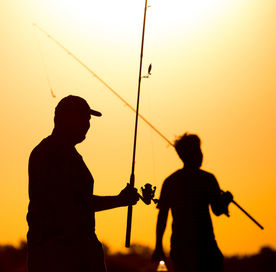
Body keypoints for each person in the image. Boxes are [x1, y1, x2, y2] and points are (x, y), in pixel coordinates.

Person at [26, 95, 139, 272]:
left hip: (77, 252)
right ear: (64, 119)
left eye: (88, 119)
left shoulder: (68, 154)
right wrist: (119, 200)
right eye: (83, 118)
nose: (87, 124)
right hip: (60, 256)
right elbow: (72, 204)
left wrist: (120, 200)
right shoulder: (49, 154)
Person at [152, 133, 233, 272]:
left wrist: (158, 245)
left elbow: (162, 216)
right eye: (198, 151)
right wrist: (226, 200)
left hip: (179, 246)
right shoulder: (207, 179)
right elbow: (218, 210)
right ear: (192, 154)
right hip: (205, 245)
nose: (201, 155)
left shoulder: (170, 181)